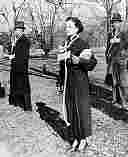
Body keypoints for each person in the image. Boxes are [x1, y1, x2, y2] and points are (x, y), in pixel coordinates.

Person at [57, 17, 97, 151]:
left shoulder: (82, 44)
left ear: (77, 28)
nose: (66, 29)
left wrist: (79, 61)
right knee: (71, 110)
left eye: (69, 26)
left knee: (81, 110)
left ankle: (83, 139)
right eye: (66, 26)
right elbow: (62, 66)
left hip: (80, 83)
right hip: (68, 82)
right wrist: (60, 82)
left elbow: (92, 63)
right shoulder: (65, 44)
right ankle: (74, 138)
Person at [105, 13, 128, 107]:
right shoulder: (110, 34)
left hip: (121, 60)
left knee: (123, 81)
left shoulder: (124, 34)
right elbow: (107, 47)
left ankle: (124, 101)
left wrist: (125, 56)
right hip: (112, 60)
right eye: (113, 22)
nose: (115, 24)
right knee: (113, 81)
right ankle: (115, 99)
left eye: (117, 22)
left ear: (120, 23)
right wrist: (107, 57)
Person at [8, 21, 32, 111]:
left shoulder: (25, 41)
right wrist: (13, 46)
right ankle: (18, 103)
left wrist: (13, 58)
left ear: (21, 31)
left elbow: (23, 56)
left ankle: (27, 107)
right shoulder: (17, 41)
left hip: (21, 68)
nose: (15, 32)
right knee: (16, 85)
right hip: (16, 67)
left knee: (24, 87)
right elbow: (14, 53)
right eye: (15, 30)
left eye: (17, 30)